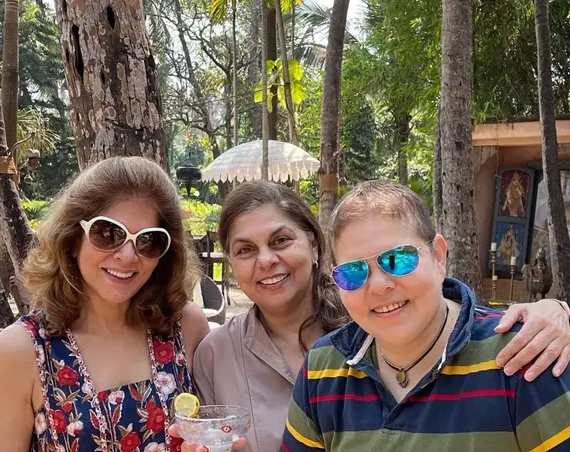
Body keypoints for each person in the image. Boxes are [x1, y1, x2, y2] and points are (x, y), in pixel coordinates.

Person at [171, 180, 570, 452]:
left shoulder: (521, 356)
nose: (378, 285)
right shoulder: (324, 368)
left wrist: (557, 311)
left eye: (398, 259)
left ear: (439, 255)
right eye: (355, 271)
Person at [0, 157, 210, 451]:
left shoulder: (185, 328)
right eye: (108, 233)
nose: (127, 256)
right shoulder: (21, 352)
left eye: (148, 240)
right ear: (73, 239)